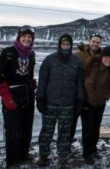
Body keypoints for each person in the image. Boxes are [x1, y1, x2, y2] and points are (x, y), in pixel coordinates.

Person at [36, 33, 85, 166]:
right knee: (46, 132)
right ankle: (43, 155)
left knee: (64, 133)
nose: (65, 46)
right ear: (59, 45)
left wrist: (80, 100)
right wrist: (40, 98)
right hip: (50, 103)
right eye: (63, 44)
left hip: (68, 105)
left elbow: (80, 83)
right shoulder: (49, 60)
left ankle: (63, 155)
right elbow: (42, 81)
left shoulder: (76, 62)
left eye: (68, 44)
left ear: (71, 45)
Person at [0, 25, 36, 168]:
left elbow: (29, 73)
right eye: (24, 36)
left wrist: (32, 83)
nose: (26, 39)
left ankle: (23, 155)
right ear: (19, 37)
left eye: (29, 37)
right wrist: (6, 95)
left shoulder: (31, 54)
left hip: (28, 96)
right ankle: (12, 161)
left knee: (26, 128)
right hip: (12, 96)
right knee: (13, 130)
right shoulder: (8, 53)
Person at [82, 46, 110, 164]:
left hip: (100, 103)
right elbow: (88, 84)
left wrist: (105, 97)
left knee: (96, 126)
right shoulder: (95, 66)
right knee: (88, 128)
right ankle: (87, 153)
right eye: (106, 57)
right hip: (89, 103)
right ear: (102, 57)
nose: (108, 60)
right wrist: (94, 100)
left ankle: (93, 148)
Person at [70, 33, 102, 143]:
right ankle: (67, 146)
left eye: (98, 42)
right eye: (93, 41)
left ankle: (90, 148)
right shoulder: (78, 54)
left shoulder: (102, 56)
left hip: (92, 96)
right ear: (89, 42)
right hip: (78, 94)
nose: (95, 44)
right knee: (72, 122)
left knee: (91, 124)